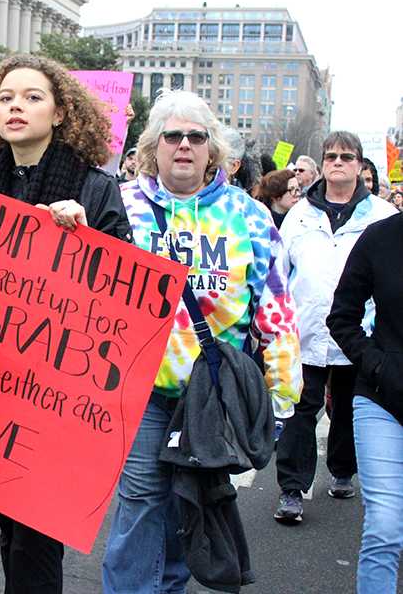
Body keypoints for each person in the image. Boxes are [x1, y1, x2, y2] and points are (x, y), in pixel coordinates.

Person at [0, 54, 130, 594]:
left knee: (35, 530)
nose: (15, 107)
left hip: (61, 385)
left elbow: (124, 292)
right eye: (5, 98)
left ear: (61, 112)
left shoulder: (95, 187)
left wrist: (89, 236)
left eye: (31, 97)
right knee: (9, 522)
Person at [104, 89, 301, 592]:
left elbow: (275, 308)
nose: (185, 144)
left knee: (186, 504)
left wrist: (280, 398)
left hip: (211, 395)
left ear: (212, 148)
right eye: (174, 135)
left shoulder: (249, 215)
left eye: (197, 136)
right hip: (139, 389)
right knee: (141, 500)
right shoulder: (121, 206)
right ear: (154, 146)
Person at [274, 131, 398, 524]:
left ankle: (343, 470)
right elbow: (280, 270)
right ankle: (292, 489)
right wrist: (276, 321)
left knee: (345, 410)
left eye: (347, 156)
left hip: (359, 336)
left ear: (361, 165)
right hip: (305, 330)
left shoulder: (382, 216)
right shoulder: (300, 214)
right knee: (300, 409)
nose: (338, 162)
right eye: (331, 156)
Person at [327, 213, 403, 594]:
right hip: (382, 402)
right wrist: (378, 365)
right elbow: (342, 317)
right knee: (386, 526)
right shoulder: (379, 238)